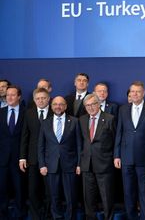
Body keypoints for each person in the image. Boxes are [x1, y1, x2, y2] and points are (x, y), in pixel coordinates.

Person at [114, 81, 145, 220]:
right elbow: (119, 133)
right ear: (129, 93)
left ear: (144, 93)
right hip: (126, 158)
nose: (135, 94)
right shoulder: (123, 109)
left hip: (144, 157)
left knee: (144, 192)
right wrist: (116, 155)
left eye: (138, 91)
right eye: (132, 91)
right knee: (128, 192)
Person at [38, 96, 82, 220]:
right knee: (54, 196)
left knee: (71, 197)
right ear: (51, 107)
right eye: (55, 104)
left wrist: (79, 164)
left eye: (61, 104)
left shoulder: (74, 121)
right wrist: (42, 164)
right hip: (51, 165)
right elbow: (41, 145)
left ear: (65, 106)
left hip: (70, 165)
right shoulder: (45, 122)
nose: (58, 106)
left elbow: (79, 144)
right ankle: (56, 217)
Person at [79, 93, 116, 220]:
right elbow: (81, 143)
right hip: (86, 164)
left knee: (107, 197)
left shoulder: (110, 118)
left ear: (99, 104)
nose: (90, 107)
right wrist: (80, 163)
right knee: (88, 199)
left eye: (93, 104)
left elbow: (115, 141)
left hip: (104, 164)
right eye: (87, 105)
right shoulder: (82, 120)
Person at [19, 88, 52, 220]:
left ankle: (49, 215)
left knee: (49, 191)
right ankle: (36, 216)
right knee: (32, 191)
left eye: (43, 98)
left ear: (48, 98)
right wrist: (22, 157)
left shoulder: (55, 111)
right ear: (34, 100)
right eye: (38, 98)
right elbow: (24, 137)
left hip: (50, 159)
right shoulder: (29, 113)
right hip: (32, 159)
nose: (41, 100)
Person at [0, 85, 25, 219]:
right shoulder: (0, 112)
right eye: (7, 95)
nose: (9, 97)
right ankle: (2, 214)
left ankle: (20, 213)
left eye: (13, 95)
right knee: (2, 188)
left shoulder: (26, 112)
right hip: (2, 157)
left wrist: (23, 156)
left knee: (19, 188)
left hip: (19, 158)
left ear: (19, 97)